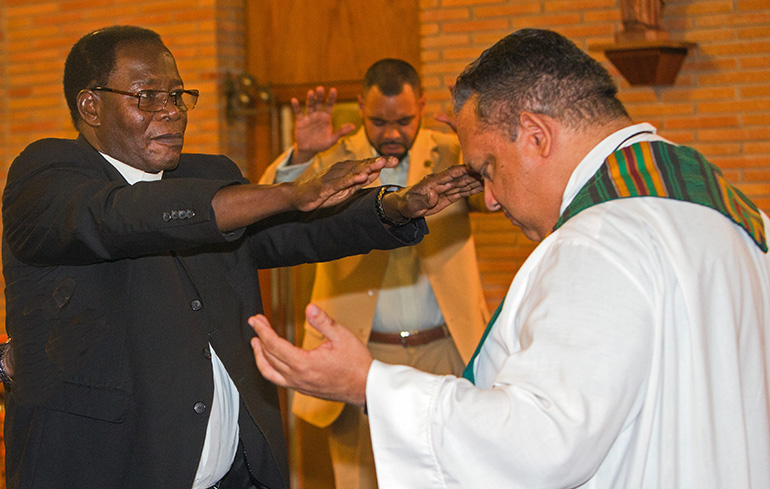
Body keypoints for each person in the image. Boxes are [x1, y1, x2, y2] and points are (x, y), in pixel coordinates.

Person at [248, 28, 770, 489]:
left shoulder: (598, 243)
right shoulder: (734, 212)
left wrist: (371, 384)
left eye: (489, 167)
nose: (490, 200)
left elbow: (540, 446)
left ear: (537, 136)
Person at [0, 25, 481, 489]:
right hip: (112, 471)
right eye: (147, 96)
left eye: (177, 95)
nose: (170, 111)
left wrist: (397, 205)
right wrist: (289, 192)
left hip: (236, 475)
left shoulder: (210, 174)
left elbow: (297, 232)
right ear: (91, 105)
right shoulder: (48, 175)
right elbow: (122, 216)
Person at [259, 59, 489, 488]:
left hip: (446, 351)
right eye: (379, 121)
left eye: (404, 120)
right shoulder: (330, 162)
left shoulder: (453, 150)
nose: (392, 133)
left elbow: (498, 198)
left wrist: (478, 144)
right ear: (360, 108)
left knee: (455, 475)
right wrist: (304, 155)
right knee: (360, 478)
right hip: (359, 352)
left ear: (421, 105)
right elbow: (268, 214)